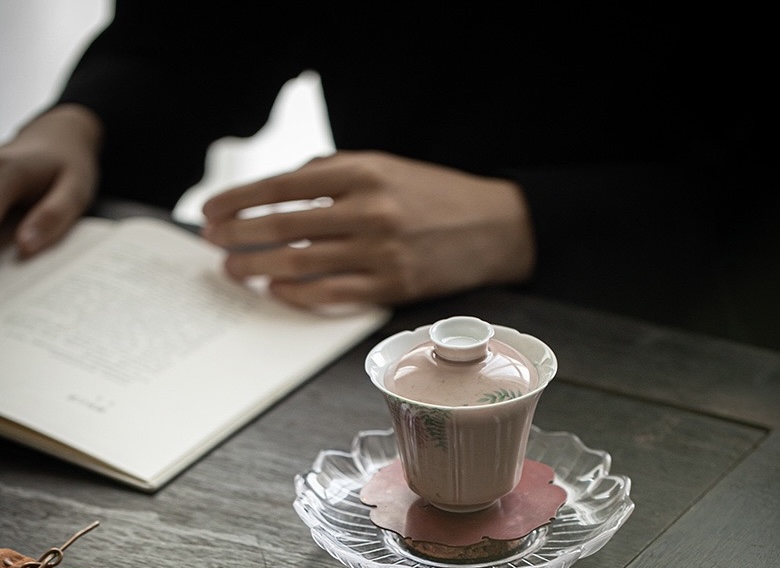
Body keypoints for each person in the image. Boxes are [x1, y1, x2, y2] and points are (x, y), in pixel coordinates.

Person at [1, 5, 776, 346]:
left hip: (702, 342)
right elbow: (193, 36)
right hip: (376, 331)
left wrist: (533, 222)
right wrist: (84, 121)